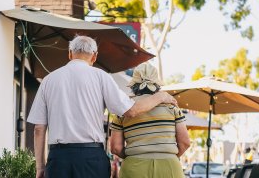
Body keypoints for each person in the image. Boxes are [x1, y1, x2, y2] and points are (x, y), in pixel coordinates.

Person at [27, 35, 178, 178]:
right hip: (91, 158)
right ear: (94, 56)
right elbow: (131, 110)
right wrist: (161, 96)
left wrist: (40, 167)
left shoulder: (48, 80)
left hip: (59, 159)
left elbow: (39, 129)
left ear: (70, 54)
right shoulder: (101, 77)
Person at [110, 62, 190, 178]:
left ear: (134, 84)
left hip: (134, 168)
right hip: (169, 167)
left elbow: (116, 148)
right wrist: (167, 155)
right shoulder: (172, 107)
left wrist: (134, 155)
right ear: (156, 84)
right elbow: (185, 142)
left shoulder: (124, 109)